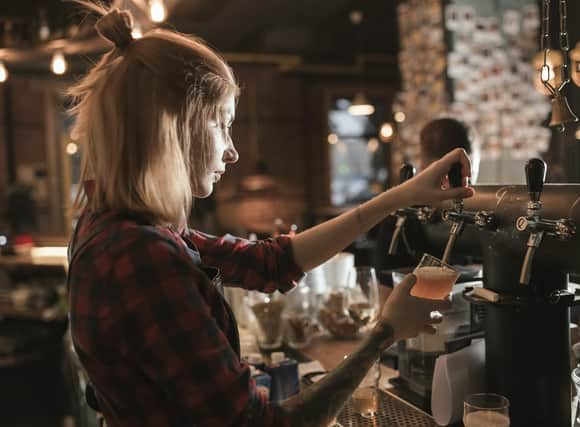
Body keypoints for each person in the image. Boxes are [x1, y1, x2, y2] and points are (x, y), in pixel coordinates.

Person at [66, 4, 474, 427]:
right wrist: (384, 334)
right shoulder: (143, 257)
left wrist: (398, 196)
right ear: (175, 126)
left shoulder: (117, 226)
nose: (232, 150)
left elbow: (271, 262)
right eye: (221, 124)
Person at [373, 118, 480, 304]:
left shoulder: (481, 216)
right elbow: (385, 299)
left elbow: (384, 301)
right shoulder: (403, 218)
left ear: (422, 163)